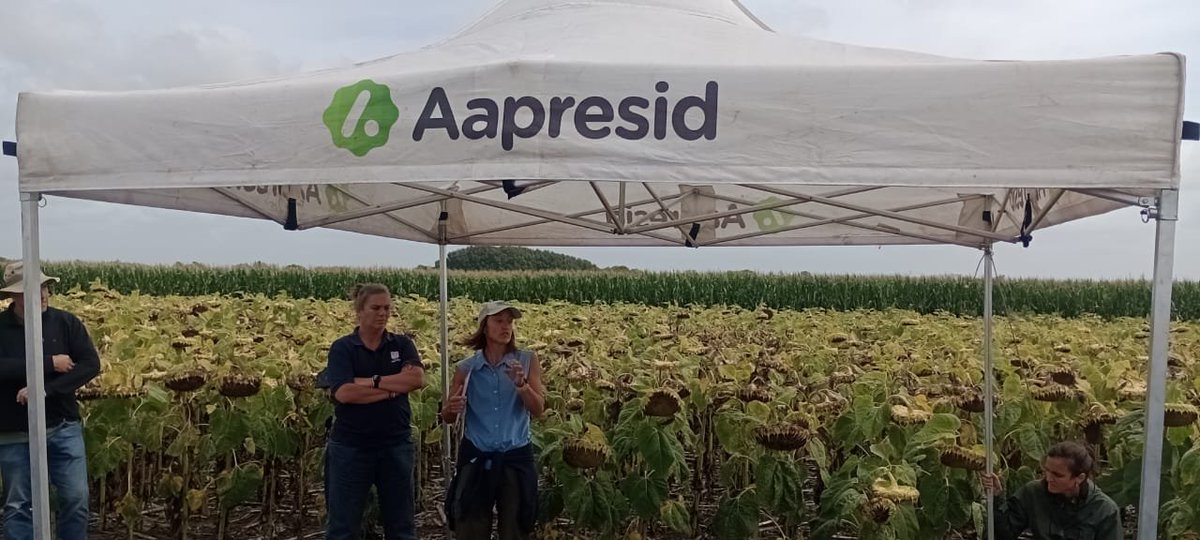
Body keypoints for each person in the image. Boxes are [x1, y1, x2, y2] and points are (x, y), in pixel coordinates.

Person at [0, 261, 100, 540]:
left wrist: (44, 389)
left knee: (76, 499)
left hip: (62, 426)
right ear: (13, 296)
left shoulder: (66, 322)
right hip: (13, 432)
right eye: (33, 289)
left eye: (45, 287)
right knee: (19, 505)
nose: (43, 295)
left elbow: (90, 364)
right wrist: (48, 363)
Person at [323, 283, 425, 540]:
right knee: (343, 526)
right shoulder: (343, 348)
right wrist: (393, 388)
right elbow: (344, 393)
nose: (383, 313)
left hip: (395, 444)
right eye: (376, 308)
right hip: (351, 447)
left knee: (401, 525)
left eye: (387, 308)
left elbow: (415, 380)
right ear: (359, 311)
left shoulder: (402, 345)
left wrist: (370, 381)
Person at [442, 301, 545, 540]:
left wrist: (522, 385)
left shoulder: (527, 360)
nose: (505, 327)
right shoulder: (466, 369)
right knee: (470, 526)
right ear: (484, 328)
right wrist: (451, 408)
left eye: (509, 322)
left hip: (515, 455)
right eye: (498, 321)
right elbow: (448, 417)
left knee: (516, 527)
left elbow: (538, 409)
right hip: (478, 456)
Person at [979, 441, 1122, 540]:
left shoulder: (1105, 510)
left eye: (1057, 475)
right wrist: (996, 497)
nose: (1048, 478)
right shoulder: (1034, 493)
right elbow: (1005, 533)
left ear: (1079, 478)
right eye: (1047, 471)